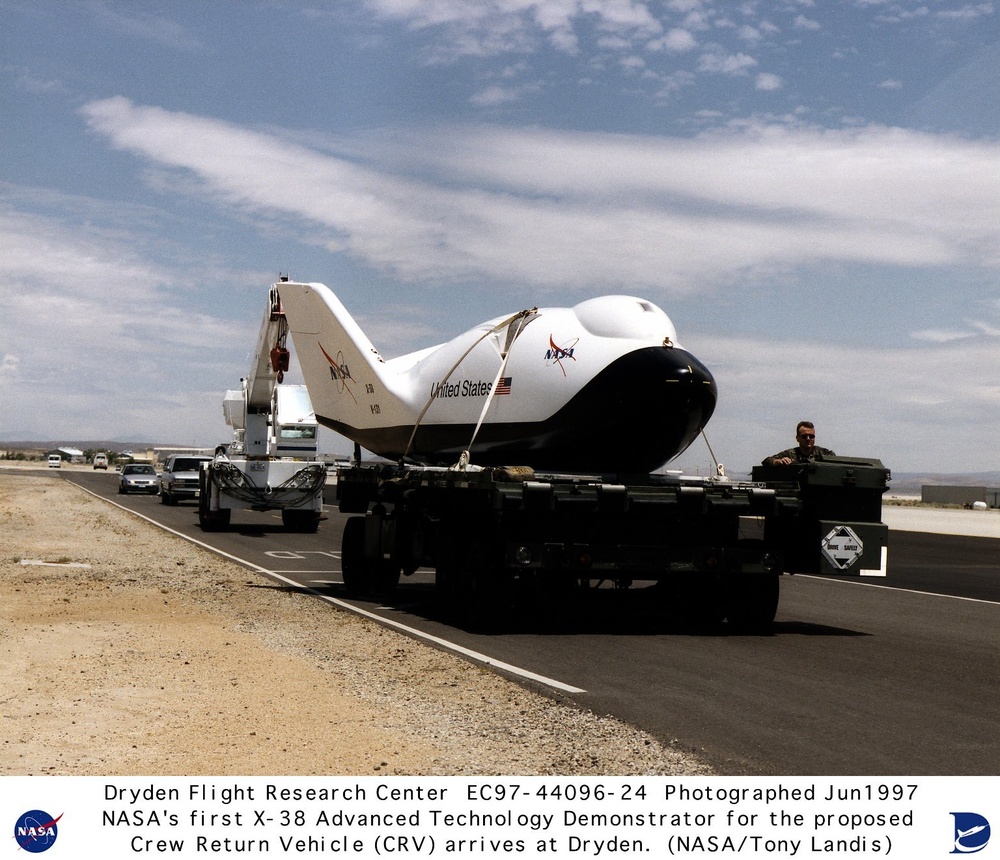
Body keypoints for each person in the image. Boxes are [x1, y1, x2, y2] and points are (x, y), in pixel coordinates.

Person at [762, 421, 835, 466]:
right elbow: (766, 461)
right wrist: (778, 461)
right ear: (797, 438)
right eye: (804, 436)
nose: (808, 439)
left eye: (811, 436)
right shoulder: (790, 454)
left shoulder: (824, 453)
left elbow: (835, 461)